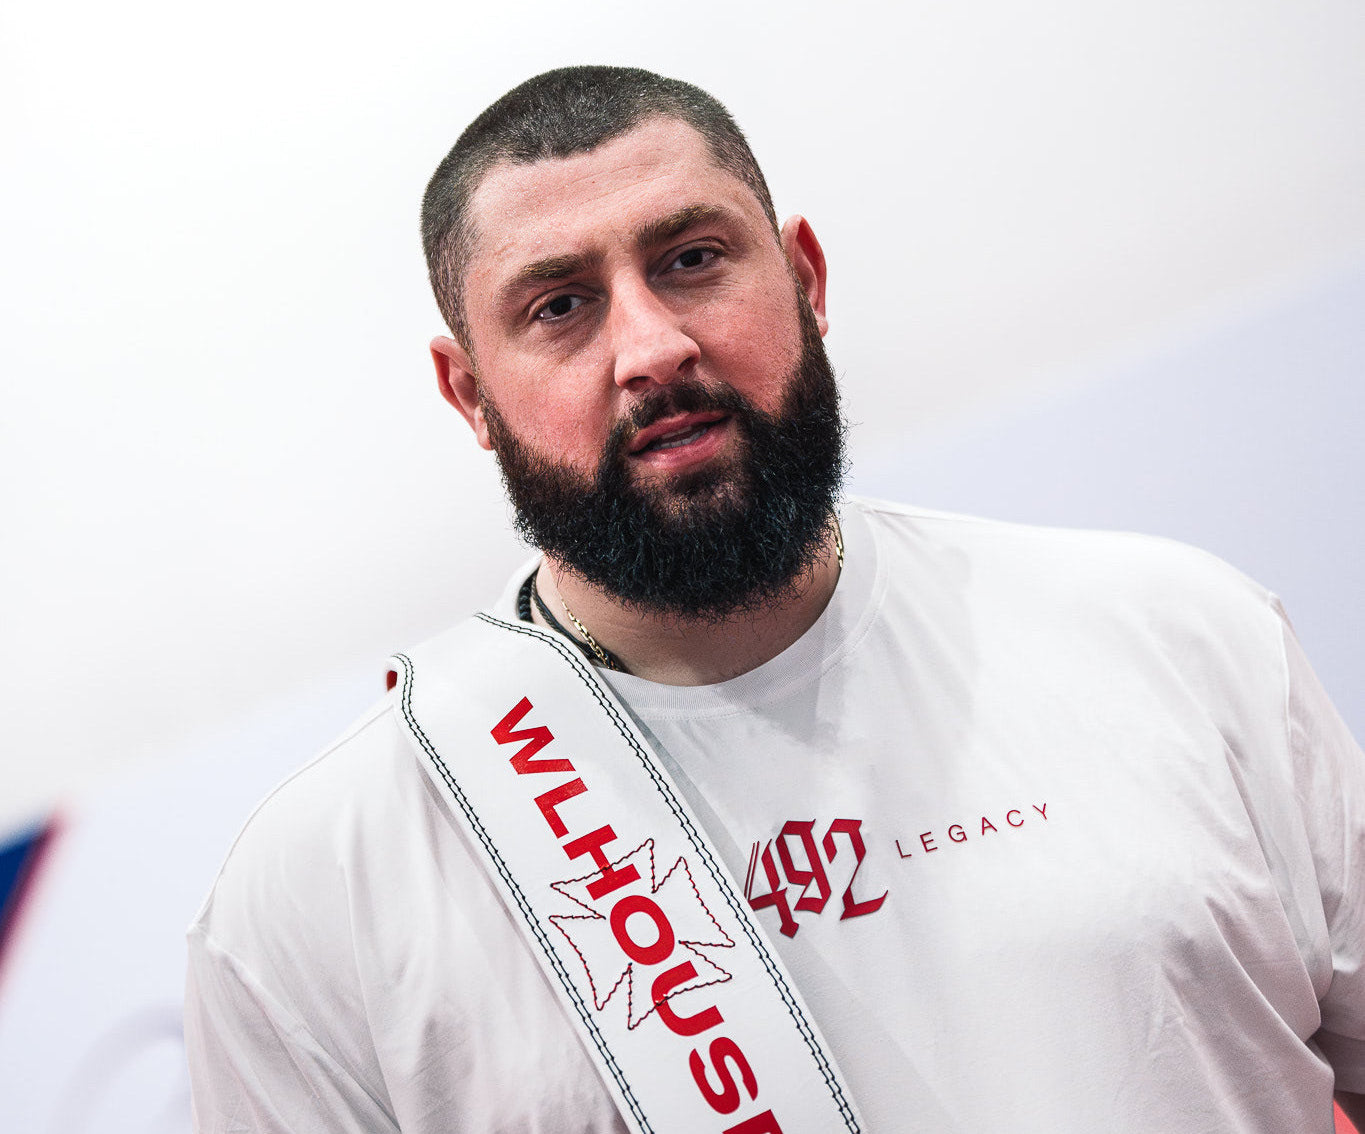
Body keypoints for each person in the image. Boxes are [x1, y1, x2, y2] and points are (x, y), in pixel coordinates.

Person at [184, 65, 1365, 1133]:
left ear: (804, 277)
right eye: (560, 306)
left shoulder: (1179, 639)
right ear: (470, 394)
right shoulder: (322, 894)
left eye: (691, 259)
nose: (651, 347)